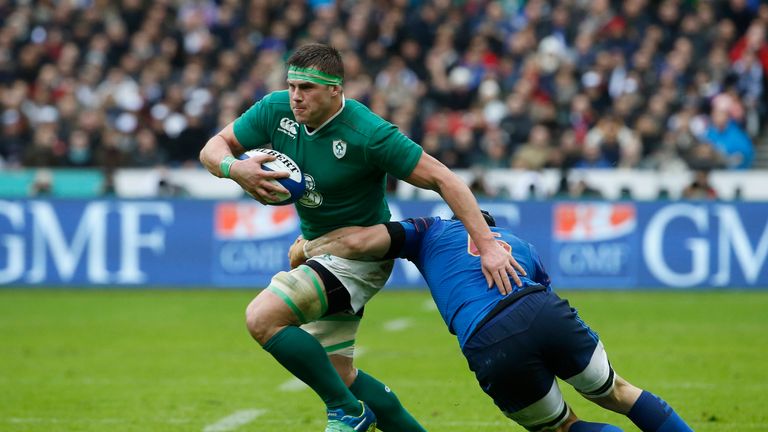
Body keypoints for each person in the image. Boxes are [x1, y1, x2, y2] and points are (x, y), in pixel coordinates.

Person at [199, 43, 523, 432]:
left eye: (307, 88)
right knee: (341, 373)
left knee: (262, 318)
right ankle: (356, 406)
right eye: (292, 86)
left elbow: (443, 177)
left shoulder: (367, 133)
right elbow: (212, 149)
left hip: (360, 260)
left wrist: (487, 247)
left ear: (336, 89)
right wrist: (236, 169)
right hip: (321, 253)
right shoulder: (275, 109)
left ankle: (347, 412)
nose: (296, 96)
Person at [288, 212, 694, 432]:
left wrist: (308, 246)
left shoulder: (431, 229)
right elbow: (543, 287)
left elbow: (362, 242)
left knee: (563, 427)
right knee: (618, 392)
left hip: (490, 339)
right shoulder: (520, 243)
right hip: (542, 310)